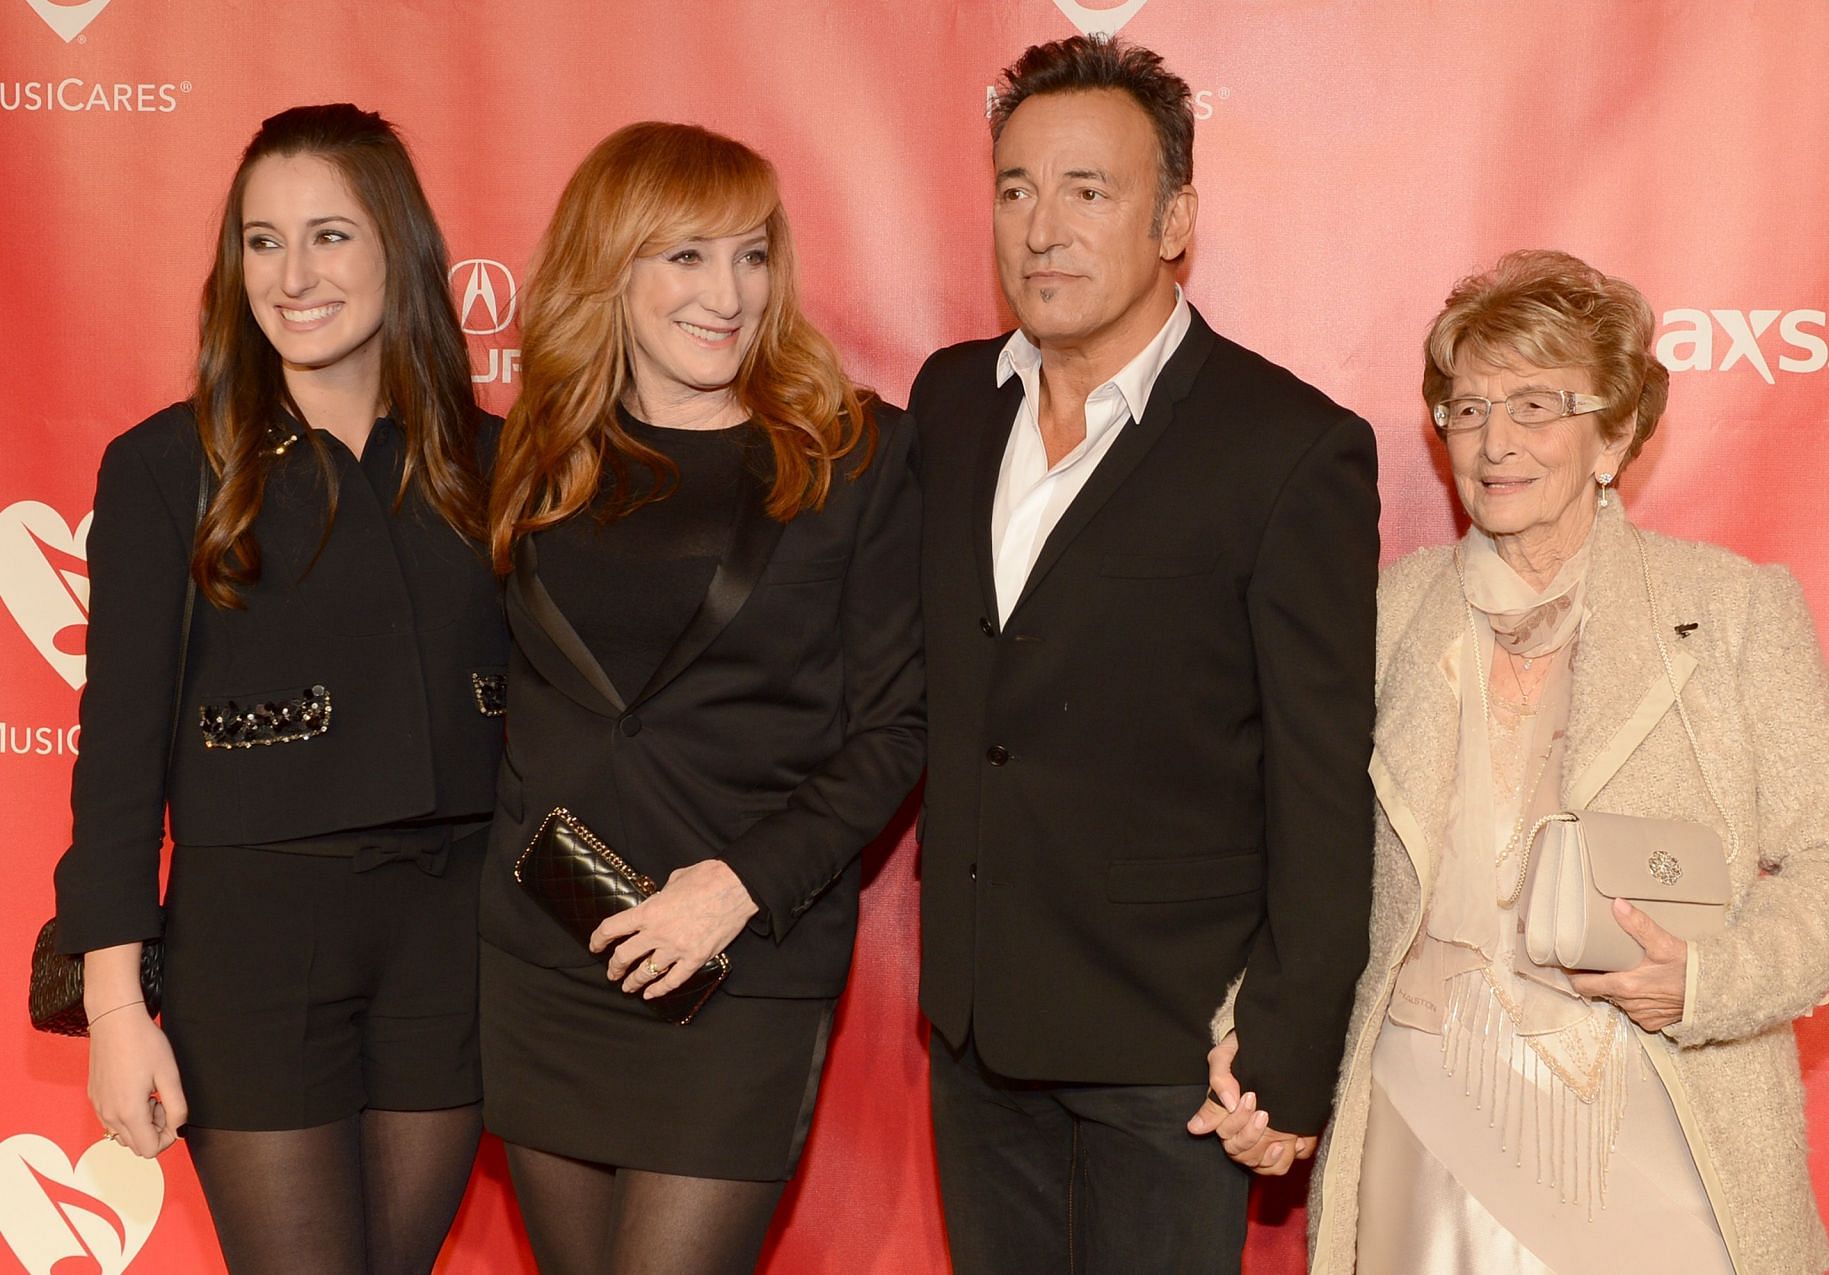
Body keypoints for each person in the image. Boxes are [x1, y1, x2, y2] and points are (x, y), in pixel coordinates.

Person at [1203, 249, 1829, 1274]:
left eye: (1537, 405)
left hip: (1656, 1106)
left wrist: (1708, 982)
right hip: (1426, 1111)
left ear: (1614, 433)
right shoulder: (1385, 617)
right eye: (1468, 407)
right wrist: (1252, 1042)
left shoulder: (1733, 611)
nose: (1493, 442)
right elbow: (1293, 858)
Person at [912, 35, 1380, 1273]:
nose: (1042, 228)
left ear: (1174, 218)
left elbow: (1321, 777)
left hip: (1173, 1052)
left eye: (1088, 190)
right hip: (974, 1037)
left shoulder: (1288, 448)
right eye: (1015, 188)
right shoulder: (954, 402)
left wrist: (1288, 1041)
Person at [53, 104, 506, 1274]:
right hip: (255, 947)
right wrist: (114, 1010)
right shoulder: (166, 466)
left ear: (397, 251)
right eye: (263, 241)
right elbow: (117, 762)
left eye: (330, 237)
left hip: (449, 943)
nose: (292, 276)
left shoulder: (496, 459)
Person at [479, 121, 923, 1275]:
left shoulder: (852, 458)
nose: (728, 293)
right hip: (546, 962)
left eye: (752, 253)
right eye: (684, 256)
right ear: (609, 269)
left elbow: (893, 733)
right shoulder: (538, 456)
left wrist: (736, 890)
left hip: (738, 968)